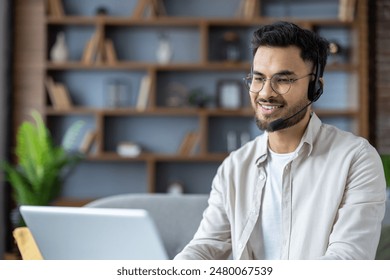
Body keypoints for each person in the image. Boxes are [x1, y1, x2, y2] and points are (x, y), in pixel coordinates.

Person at [174, 21, 387, 260]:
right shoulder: (234, 166)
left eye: (283, 80)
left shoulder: (356, 160)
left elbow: (348, 258)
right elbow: (207, 245)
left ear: (315, 87)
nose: (265, 93)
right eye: (258, 78)